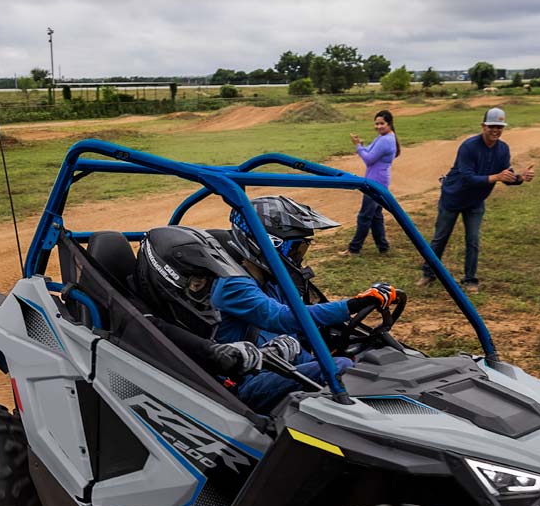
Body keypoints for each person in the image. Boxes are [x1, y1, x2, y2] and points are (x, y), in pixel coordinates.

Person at [135, 226, 401, 412]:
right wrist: (353, 305)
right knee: (342, 369)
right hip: (242, 386)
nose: (297, 258)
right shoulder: (232, 287)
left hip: (269, 365)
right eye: (294, 250)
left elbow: (293, 316)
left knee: (364, 363)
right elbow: (282, 317)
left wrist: (282, 350)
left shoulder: (266, 280)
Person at [421, 107, 534, 287]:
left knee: (473, 240)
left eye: (499, 127)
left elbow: (506, 176)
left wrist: (521, 177)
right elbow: (468, 178)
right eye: (491, 126)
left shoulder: (503, 149)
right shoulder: (469, 146)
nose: (495, 130)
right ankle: (428, 274)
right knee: (440, 237)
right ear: (483, 126)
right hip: (453, 198)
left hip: (475, 202)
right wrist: (496, 177)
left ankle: (470, 279)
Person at [346, 110, 398, 254]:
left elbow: (369, 159)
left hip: (376, 181)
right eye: (376, 124)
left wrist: (358, 147)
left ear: (389, 123)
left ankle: (354, 248)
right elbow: (369, 151)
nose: (378, 126)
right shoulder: (384, 137)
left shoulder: (385, 140)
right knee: (375, 216)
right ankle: (383, 246)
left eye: (382, 123)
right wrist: (361, 145)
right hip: (378, 179)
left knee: (365, 216)